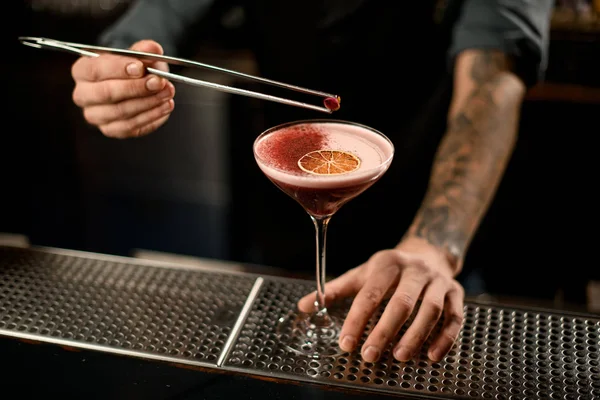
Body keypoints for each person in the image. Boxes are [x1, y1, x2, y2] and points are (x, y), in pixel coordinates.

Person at [69, 0, 554, 364]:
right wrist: (121, 66)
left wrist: (434, 246)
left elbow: (492, 79)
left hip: (424, 224)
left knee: (407, 356)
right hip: (285, 202)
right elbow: (160, 15)